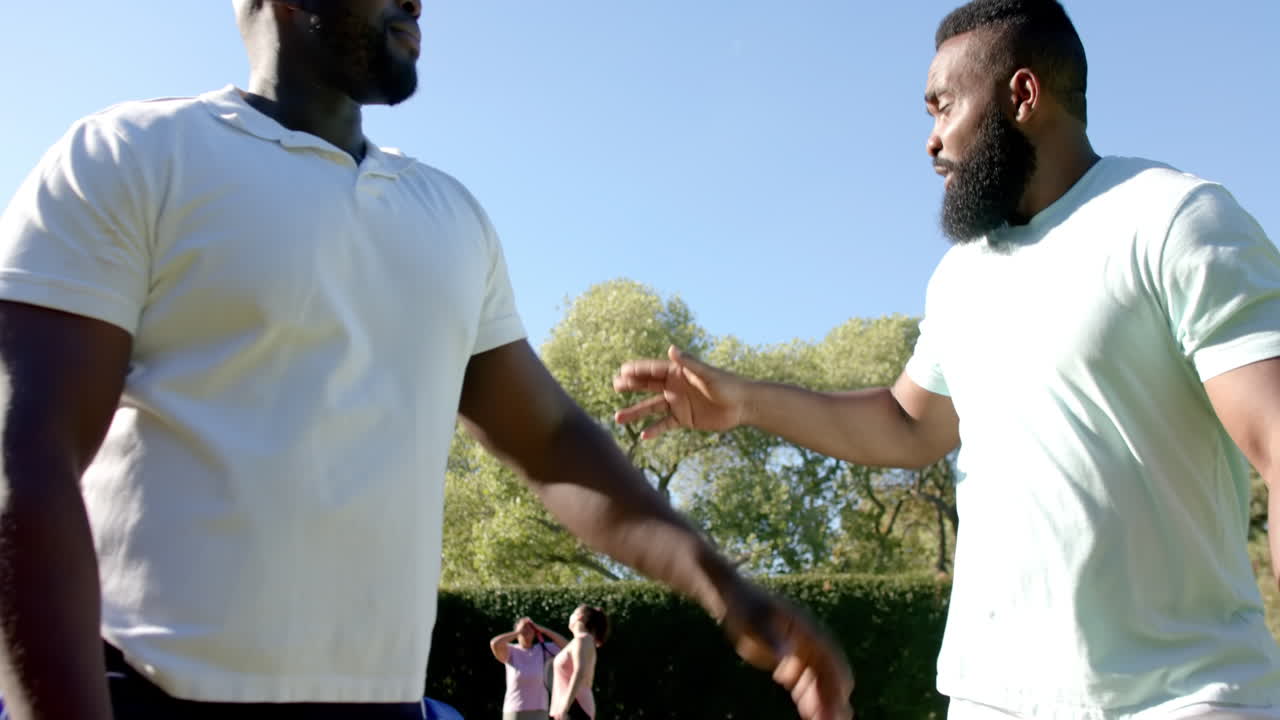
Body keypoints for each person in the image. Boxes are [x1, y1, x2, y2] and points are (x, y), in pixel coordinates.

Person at [0, 1, 854, 719]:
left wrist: (727, 589)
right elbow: (24, 460)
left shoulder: (452, 217)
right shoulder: (129, 158)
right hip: (150, 694)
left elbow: (553, 439)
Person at [613, 1, 1280, 718]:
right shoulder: (963, 274)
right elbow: (908, 424)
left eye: (942, 108)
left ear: (1021, 96)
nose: (930, 142)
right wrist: (747, 403)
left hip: (1186, 699)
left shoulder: (1175, 219)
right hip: (989, 702)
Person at [490, 617, 568, 720]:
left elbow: (567, 647)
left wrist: (544, 630)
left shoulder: (543, 649)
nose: (526, 631)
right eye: (523, 628)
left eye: (530, 628)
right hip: (515, 710)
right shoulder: (511, 651)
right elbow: (495, 644)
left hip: (540, 710)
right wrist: (518, 631)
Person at [548, 606, 608, 720]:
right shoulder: (578, 641)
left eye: (573, 613)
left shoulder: (583, 639)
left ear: (579, 617)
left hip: (575, 708)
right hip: (568, 709)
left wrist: (565, 707)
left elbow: (579, 672)